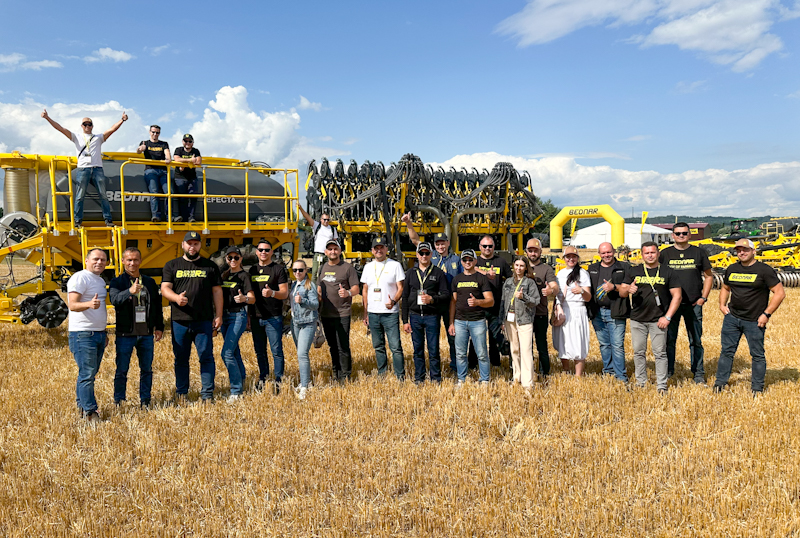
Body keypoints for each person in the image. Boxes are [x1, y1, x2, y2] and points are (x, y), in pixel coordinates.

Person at [715, 238, 785, 395]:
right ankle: (720, 383)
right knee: (726, 352)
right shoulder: (732, 269)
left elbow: (779, 293)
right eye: (739, 250)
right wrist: (722, 305)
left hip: (754, 321)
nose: (742, 253)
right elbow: (725, 288)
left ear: (754, 251)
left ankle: (757, 388)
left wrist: (766, 314)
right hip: (732, 318)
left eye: (745, 250)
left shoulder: (764, 270)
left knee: (757, 355)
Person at [161, 231, 223, 401]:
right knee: (181, 358)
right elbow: (165, 288)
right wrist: (176, 298)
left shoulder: (210, 266)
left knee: (206, 357)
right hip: (180, 321)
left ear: (200, 245)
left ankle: (207, 394)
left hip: (203, 320)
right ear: (183, 245)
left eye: (196, 244)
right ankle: (182, 393)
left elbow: (217, 291)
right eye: (189, 243)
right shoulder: (172, 265)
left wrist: (218, 315)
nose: (192, 247)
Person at [41, 109, 127, 227]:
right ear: (81, 126)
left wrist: (122, 120)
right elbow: (60, 128)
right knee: (80, 196)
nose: (87, 126)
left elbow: (112, 129)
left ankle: (108, 219)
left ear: (92, 126)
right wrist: (47, 118)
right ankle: (77, 220)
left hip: (97, 169)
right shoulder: (76, 137)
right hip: (83, 169)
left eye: (89, 124)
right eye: (85, 124)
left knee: (103, 195)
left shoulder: (98, 138)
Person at [402, 214, 462, 375]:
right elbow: (415, 239)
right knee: (430, 343)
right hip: (431, 306)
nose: (440, 246)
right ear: (434, 246)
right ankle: (424, 374)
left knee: (452, 336)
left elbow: (468, 271)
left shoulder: (456, 259)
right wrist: (408, 223)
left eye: (443, 243)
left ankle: (455, 367)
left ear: (448, 243)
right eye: (438, 244)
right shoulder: (430, 255)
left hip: (449, 303)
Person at [620, 242, 682, 393]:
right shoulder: (634, 271)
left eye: (653, 252)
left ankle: (661, 385)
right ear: (642, 255)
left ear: (658, 253)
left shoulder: (668, 271)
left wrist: (667, 317)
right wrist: (628, 289)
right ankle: (641, 382)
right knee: (638, 352)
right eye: (646, 253)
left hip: (658, 319)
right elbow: (622, 292)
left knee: (660, 353)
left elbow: (677, 296)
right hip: (637, 319)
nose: (650, 255)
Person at [108, 247, 165, 408]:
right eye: (129, 260)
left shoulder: (149, 282)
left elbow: (157, 306)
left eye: (135, 260)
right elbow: (114, 300)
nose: (132, 263)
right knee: (122, 370)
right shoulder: (117, 282)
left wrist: (159, 327)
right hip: (125, 334)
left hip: (146, 334)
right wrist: (130, 291)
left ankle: (145, 400)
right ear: (123, 261)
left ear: (140, 261)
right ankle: (119, 400)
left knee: (146, 369)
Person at [659, 222, 713, 383]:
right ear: (672, 235)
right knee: (669, 340)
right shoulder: (665, 254)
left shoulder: (699, 253)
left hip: (693, 304)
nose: (681, 236)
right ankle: (669, 371)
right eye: (678, 233)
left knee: (696, 340)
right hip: (671, 306)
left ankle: (698, 373)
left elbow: (709, 276)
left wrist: (703, 298)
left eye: (684, 233)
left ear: (689, 234)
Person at [67, 248, 109, 422]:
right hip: (83, 334)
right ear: (86, 260)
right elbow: (72, 305)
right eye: (95, 259)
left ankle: (82, 407)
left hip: (97, 333)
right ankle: (90, 412)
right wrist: (89, 304)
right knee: (87, 374)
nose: (99, 262)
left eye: (103, 260)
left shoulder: (99, 280)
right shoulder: (80, 278)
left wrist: (104, 332)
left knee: (88, 374)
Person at [401, 242, 450, 384]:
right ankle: (419, 378)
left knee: (433, 349)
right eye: (421, 253)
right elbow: (405, 297)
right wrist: (405, 321)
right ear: (417, 255)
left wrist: (432, 299)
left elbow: (446, 295)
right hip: (415, 316)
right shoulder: (410, 273)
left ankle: (435, 378)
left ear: (431, 254)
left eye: (427, 253)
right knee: (418, 350)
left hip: (432, 317)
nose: (424, 256)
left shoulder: (438, 273)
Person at [361, 236, 406, 379]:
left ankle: (400, 376)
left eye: (381, 247)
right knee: (378, 346)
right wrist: (365, 313)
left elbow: (401, 288)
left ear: (386, 249)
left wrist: (394, 301)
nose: (379, 250)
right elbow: (365, 290)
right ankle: (382, 374)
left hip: (390, 313)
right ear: (372, 250)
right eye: (376, 248)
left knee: (395, 347)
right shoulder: (368, 267)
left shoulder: (395, 265)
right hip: (373, 313)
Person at [448, 249, 494, 385]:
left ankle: (484, 380)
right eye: (465, 260)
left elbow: (490, 301)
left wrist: (477, 302)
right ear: (461, 262)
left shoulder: (481, 278)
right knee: (460, 353)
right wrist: (451, 322)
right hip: (460, 321)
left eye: (470, 259)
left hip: (477, 321)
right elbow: (453, 302)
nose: (467, 262)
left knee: (482, 353)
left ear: (475, 261)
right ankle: (461, 379)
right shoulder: (457, 279)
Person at [317, 239, 360, 382]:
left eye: (335, 249)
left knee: (343, 346)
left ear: (340, 251)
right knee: (332, 346)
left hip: (342, 313)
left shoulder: (348, 268)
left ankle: (345, 376)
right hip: (326, 313)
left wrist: (348, 293)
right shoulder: (322, 268)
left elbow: (356, 288)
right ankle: (336, 373)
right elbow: (319, 288)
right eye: (330, 249)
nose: (333, 251)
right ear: (325, 252)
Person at [586, 242, 630, 382]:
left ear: (614, 251)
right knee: (604, 345)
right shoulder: (592, 269)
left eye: (609, 252)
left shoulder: (624, 267)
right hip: (597, 312)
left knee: (617, 345)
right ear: (599, 254)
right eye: (603, 253)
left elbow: (628, 287)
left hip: (616, 311)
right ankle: (608, 372)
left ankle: (621, 376)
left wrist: (614, 287)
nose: (606, 255)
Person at [249, 239, 289, 391]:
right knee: (260, 351)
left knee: (276, 351)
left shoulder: (278, 269)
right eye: (261, 250)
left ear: (271, 252)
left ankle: (279, 380)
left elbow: (284, 293)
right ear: (256, 252)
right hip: (255, 316)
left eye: (266, 250)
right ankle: (263, 378)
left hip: (273, 317)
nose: (263, 252)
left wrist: (272, 293)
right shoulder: (252, 270)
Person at [499, 256, 541, 388]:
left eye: (522, 266)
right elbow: (503, 301)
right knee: (514, 349)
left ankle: (528, 383)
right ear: (513, 266)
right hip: (509, 320)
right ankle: (517, 377)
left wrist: (524, 297)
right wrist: (502, 320)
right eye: (517, 265)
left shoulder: (529, 283)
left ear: (526, 267)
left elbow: (536, 301)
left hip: (524, 319)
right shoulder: (508, 282)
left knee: (526, 351)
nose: (518, 268)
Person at [220, 246, 255, 400]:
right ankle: (242, 380)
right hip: (224, 317)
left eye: (236, 257)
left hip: (237, 316)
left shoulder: (244, 276)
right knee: (234, 352)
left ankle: (236, 390)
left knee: (226, 353)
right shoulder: (224, 276)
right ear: (226, 259)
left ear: (241, 259)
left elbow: (252, 298)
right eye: (230, 258)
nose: (233, 260)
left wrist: (244, 299)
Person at [553, 246, 592, 376]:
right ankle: (566, 370)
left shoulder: (583, 273)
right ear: (564, 258)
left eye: (573, 257)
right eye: (568, 257)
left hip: (577, 309)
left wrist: (581, 291)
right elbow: (557, 294)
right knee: (563, 340)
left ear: (577, 258)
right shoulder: (560, 274)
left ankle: (578, 375)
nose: (571, 259)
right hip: (562, 309)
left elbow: (588, 297)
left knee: (577, 341)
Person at [474, 235, 512, 366]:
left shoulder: (501, 261)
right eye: (484, 246)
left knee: (494, 336)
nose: (487, 248)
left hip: (496, 305)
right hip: (478, 305)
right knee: (476, 336)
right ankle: (473, 363)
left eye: (490, 246)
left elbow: (511, 279)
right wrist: (485, 273)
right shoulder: (475, 261)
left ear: (494, 247)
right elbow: (468, 268)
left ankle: (495, 363)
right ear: (480, 247)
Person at [525, 237, 559, 378]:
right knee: (525, 346)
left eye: (536, 251)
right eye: (530, 250)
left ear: (540, 252)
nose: (533, 253)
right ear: (526, 251)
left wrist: (551, 290)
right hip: (524, 314)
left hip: (540, 313)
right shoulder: (521, 266)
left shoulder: (546, 269)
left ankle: (545, 373)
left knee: (541, 346)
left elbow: (555, 286)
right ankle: (527, 372)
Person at [290, 260, 319, 399]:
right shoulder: (293, 284)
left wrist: (303, 301)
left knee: (302, 354)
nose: (297, 272)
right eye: (294, 270)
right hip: (295, 323)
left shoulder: (309, 285)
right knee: (300, 354)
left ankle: (305, 386)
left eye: (300, 270)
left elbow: (315, 304)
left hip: (307, 323)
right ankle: (305, 381)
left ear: (306, 270)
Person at [137, 125, 172, 222]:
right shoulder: (145, 143)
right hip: (151, 170)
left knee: (169, 193)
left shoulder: (164, 144)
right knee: (154, 193)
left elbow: (167, 154)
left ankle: (169, 216)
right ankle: (156, 215)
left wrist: (168, 159)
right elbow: (138, 151)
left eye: (157, 132)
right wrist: (141, 149)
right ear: (149, 132)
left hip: (163, 171)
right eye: (153, 132)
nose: (155, 134)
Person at [297, 202, 338, 281]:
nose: (326, 221)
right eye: (324, 219)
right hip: (319, 254)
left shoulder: (333, 229)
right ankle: (314, 288)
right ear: (321, 220)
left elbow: (335, 242)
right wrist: (300, 208)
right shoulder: (317, 226)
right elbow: (308, 217)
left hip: (329, 255)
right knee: (315, 273)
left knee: (330, 273)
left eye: (328, 220)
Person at [171, 134, 201, 223]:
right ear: (182, 142)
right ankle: (183, 218)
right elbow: (176, 159)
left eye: (190, 141)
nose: (187, 143)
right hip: (180, 177)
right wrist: (190, 161)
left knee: (193, 196)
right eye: (186, 141)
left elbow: (198, 161)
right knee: (182, 198)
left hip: (192, 177)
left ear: (193, 143)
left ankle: (191, 217)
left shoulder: (196, 151)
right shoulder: (178, 150)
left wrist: (183, 163)